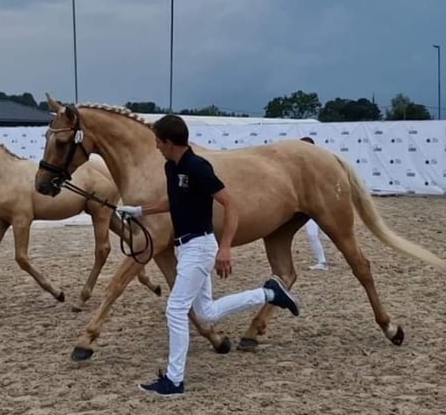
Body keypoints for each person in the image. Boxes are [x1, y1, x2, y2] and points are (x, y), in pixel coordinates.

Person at [115, 114, 299, 397]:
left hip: (201, 247)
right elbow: (174, 203)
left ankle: (175, 381)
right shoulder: (171, 167)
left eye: (158, 142)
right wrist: (139, 211)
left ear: (169, 142)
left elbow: (230, 204)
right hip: (186, 247)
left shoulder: (199, 167)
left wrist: (225, 248)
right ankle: (270, 294)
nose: (156, 147)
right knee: (206, 312)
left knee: (175, 310)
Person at [299, 137, 328, 271]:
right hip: (310, 204)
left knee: (312, 234)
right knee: (314, 233)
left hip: (317, 204)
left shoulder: (319, 165)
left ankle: (322, 262)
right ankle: (322, 261)